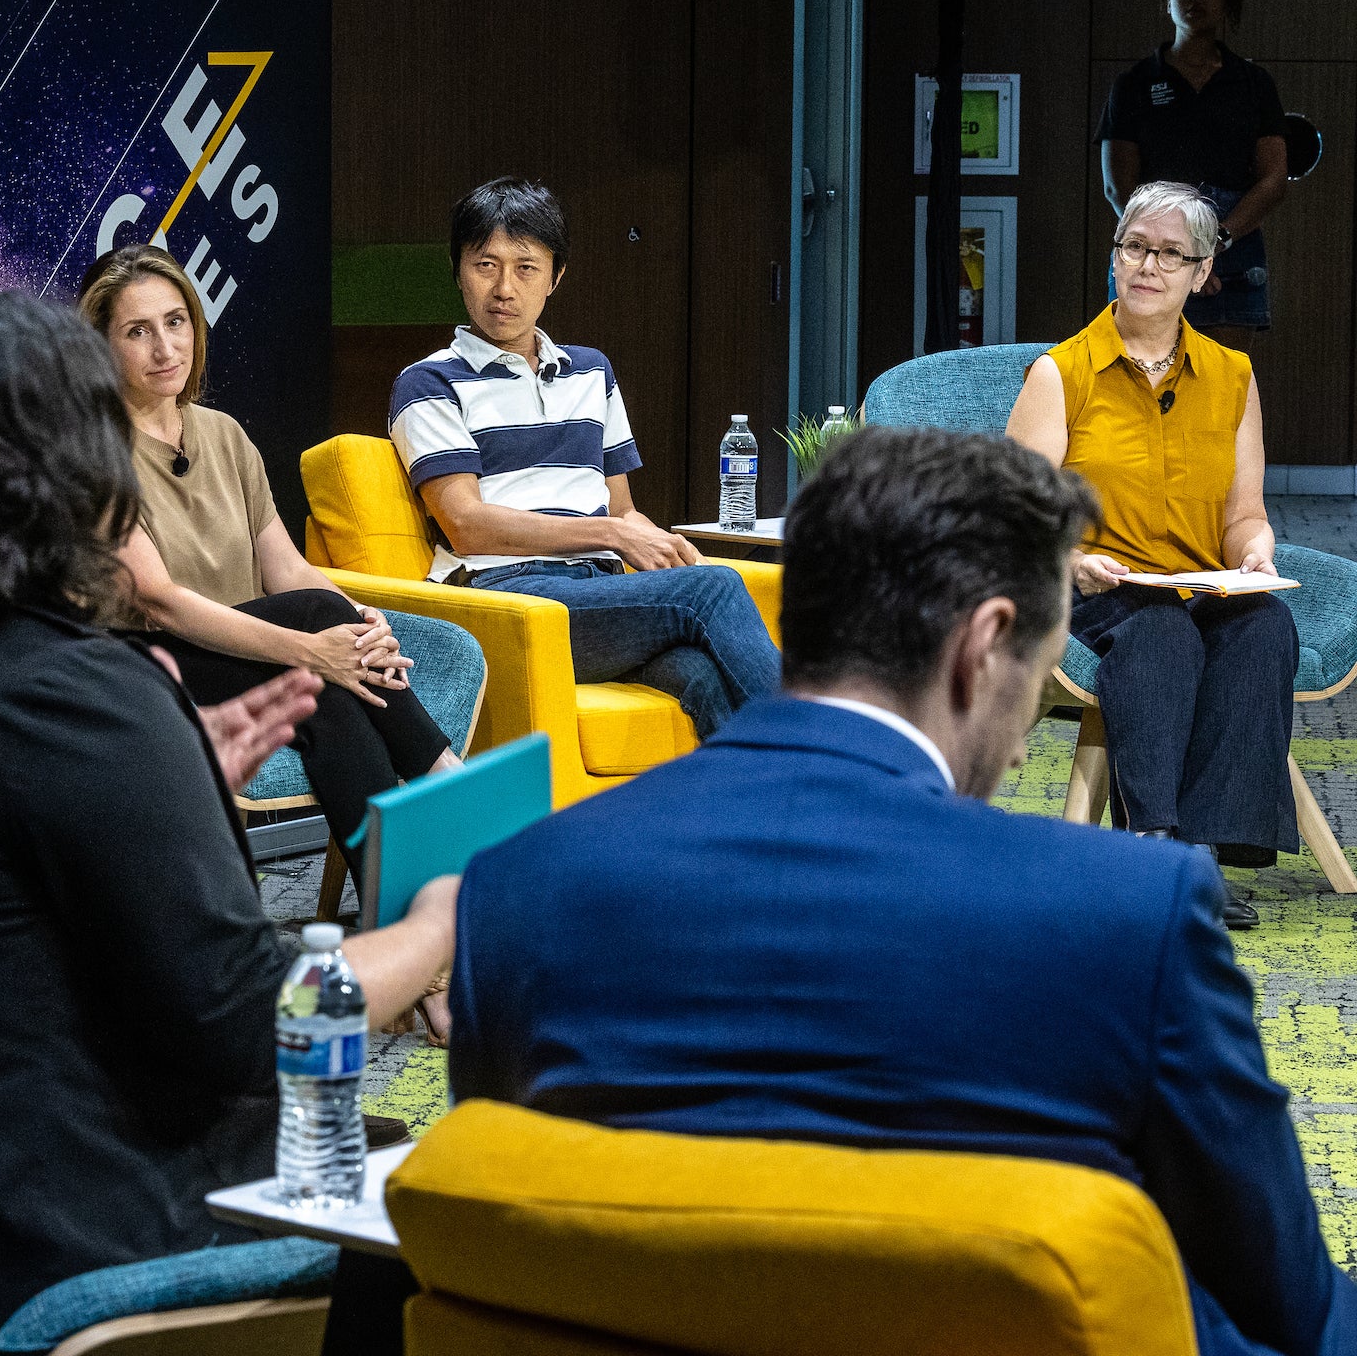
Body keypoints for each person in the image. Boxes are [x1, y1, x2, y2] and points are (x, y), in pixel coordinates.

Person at [449, 426, 1357, 1356]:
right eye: (1043, 673)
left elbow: (495, 1233)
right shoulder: (1132, 913)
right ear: (984, 646)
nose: (1023, 733)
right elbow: (1292, 1305)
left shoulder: (516, 889)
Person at [0, 288, 458, 1339]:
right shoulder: (75, 698)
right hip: (75, 1248)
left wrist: (167, 767)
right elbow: (253, 1029)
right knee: (455, 1204)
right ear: (71, 466)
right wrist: (433, 927)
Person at [79, 243, 460, 850]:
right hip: (150, 669)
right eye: (137, 331)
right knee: (317, 646)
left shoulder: (224, 434)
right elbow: (158, 602)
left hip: (246, 653)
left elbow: (284, 565)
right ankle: (448, 786)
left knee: (326, 697)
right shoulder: (93, 454)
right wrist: (311, 645)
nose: (165, 348)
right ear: (101, 347)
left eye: (176, 322)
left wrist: (359, 623)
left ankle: (394, 904)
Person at [390, 176, 779, 736]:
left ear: (556, 277)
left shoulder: (591, 372)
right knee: (712, 588)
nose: (504, 288)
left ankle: (765, 820)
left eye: (526, 267)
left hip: (595, 592)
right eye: (485, 264)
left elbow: (620, 509)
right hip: (509, 599)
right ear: (458, 270)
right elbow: (468, 526)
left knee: (701, 677)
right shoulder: (429, 381)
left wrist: (654, 541)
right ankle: (841, 773)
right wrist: (616, 537)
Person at [1007, 180, 1292, 928]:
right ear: (1114, 257)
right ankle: (1151, 845)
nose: (1148, 265)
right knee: (1157, 630)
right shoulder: (1061, 372)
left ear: (1202, 273)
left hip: (1195, 580)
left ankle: (1203, 852)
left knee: (1264, 627)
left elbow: (1244, 513)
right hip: (1092, 583)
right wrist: (1072, 559)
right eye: (1134, 247)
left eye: (1170, 254)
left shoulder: (1232, 376)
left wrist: (1255, 553)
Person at [1099, 0, 1290, 333]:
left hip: (1232, 240)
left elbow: (1274, 179)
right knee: (1135, 372)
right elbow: (1117, 185)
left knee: (1226, 380)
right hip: (1153, 242)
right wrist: (1174, 249)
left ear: (1228, 2)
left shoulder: (1254, 83)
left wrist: (1214, 243)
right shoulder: (1134, 83)